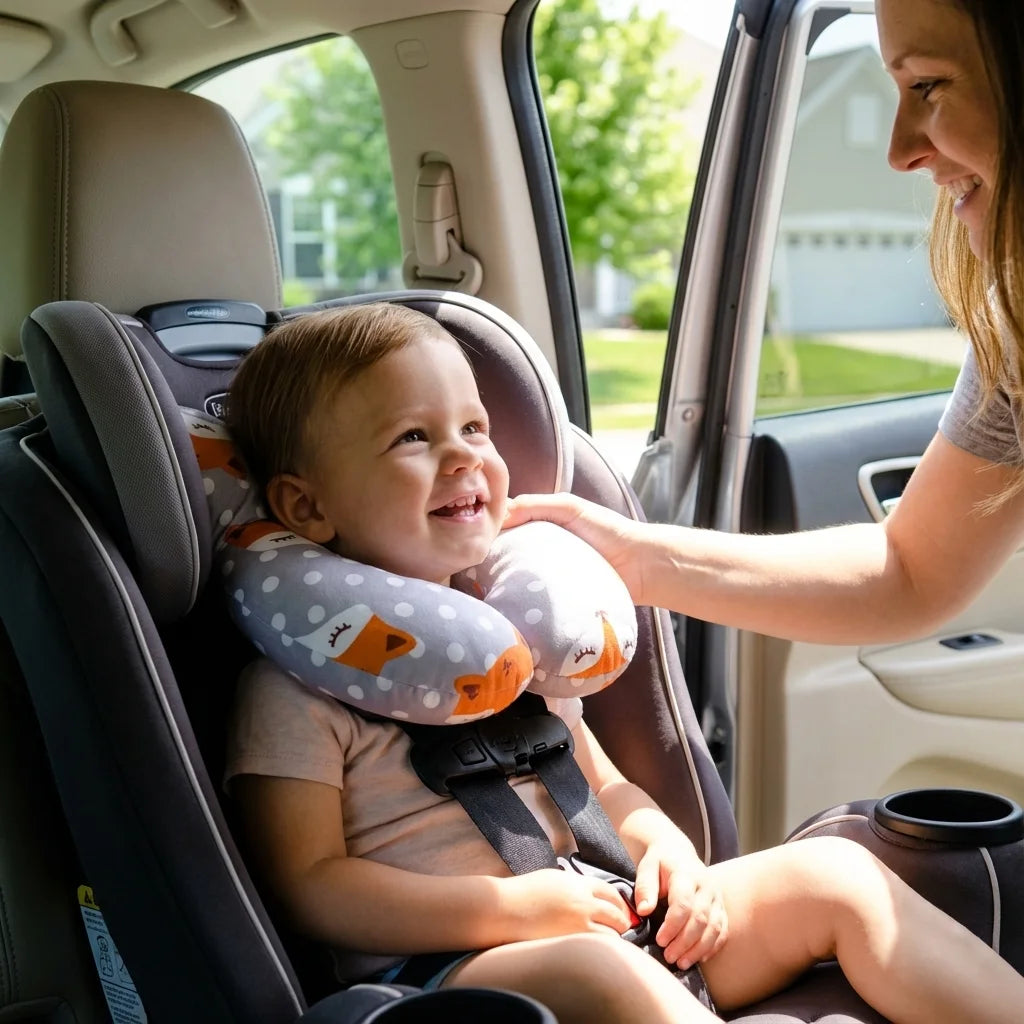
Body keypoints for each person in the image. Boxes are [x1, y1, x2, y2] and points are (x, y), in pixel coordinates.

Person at [223, 301, 1024, 1024]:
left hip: (610, 914)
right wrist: (514, 912)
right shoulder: (293, 692)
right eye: (413, 437)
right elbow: (312, 887)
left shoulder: (519, 649)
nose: (465, 457)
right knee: (596, 964)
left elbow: (606, 788)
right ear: (306, 506)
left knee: (839, 877)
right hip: (460, 970)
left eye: (474, 429)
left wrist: (670, 854)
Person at [506, 0, 1024, 652]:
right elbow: (910, 569)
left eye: (927, 85)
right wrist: (634, 558)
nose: (900, 151)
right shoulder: (1015, 333)